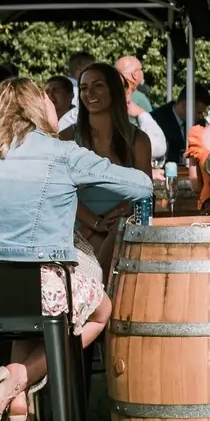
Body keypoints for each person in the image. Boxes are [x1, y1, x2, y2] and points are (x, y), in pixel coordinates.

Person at [0, 78, 150, 421]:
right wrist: (83, 177)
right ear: (39, 109)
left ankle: (14, 394)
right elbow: (141, 186)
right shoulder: (63, 153)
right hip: (47, 289)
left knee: (29, 320)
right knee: (101, 311)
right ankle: (18, 379)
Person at [66, 62, 152, 273]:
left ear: (113, 90)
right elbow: (58, 190)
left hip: (119, 226)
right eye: (84, 88)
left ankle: (98, 290)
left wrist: (114, 217)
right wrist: (94, 223)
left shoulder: (138, 140)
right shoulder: (67, 137)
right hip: (79, 227)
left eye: (98, 86)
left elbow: (145, 195)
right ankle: (102, 292)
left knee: (120, 229)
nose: (89, 93)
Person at [148, 85, 210, 161]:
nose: (201, 117)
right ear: (185, 106)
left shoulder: (199, 125)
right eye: (199, 112)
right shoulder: (156, 120)